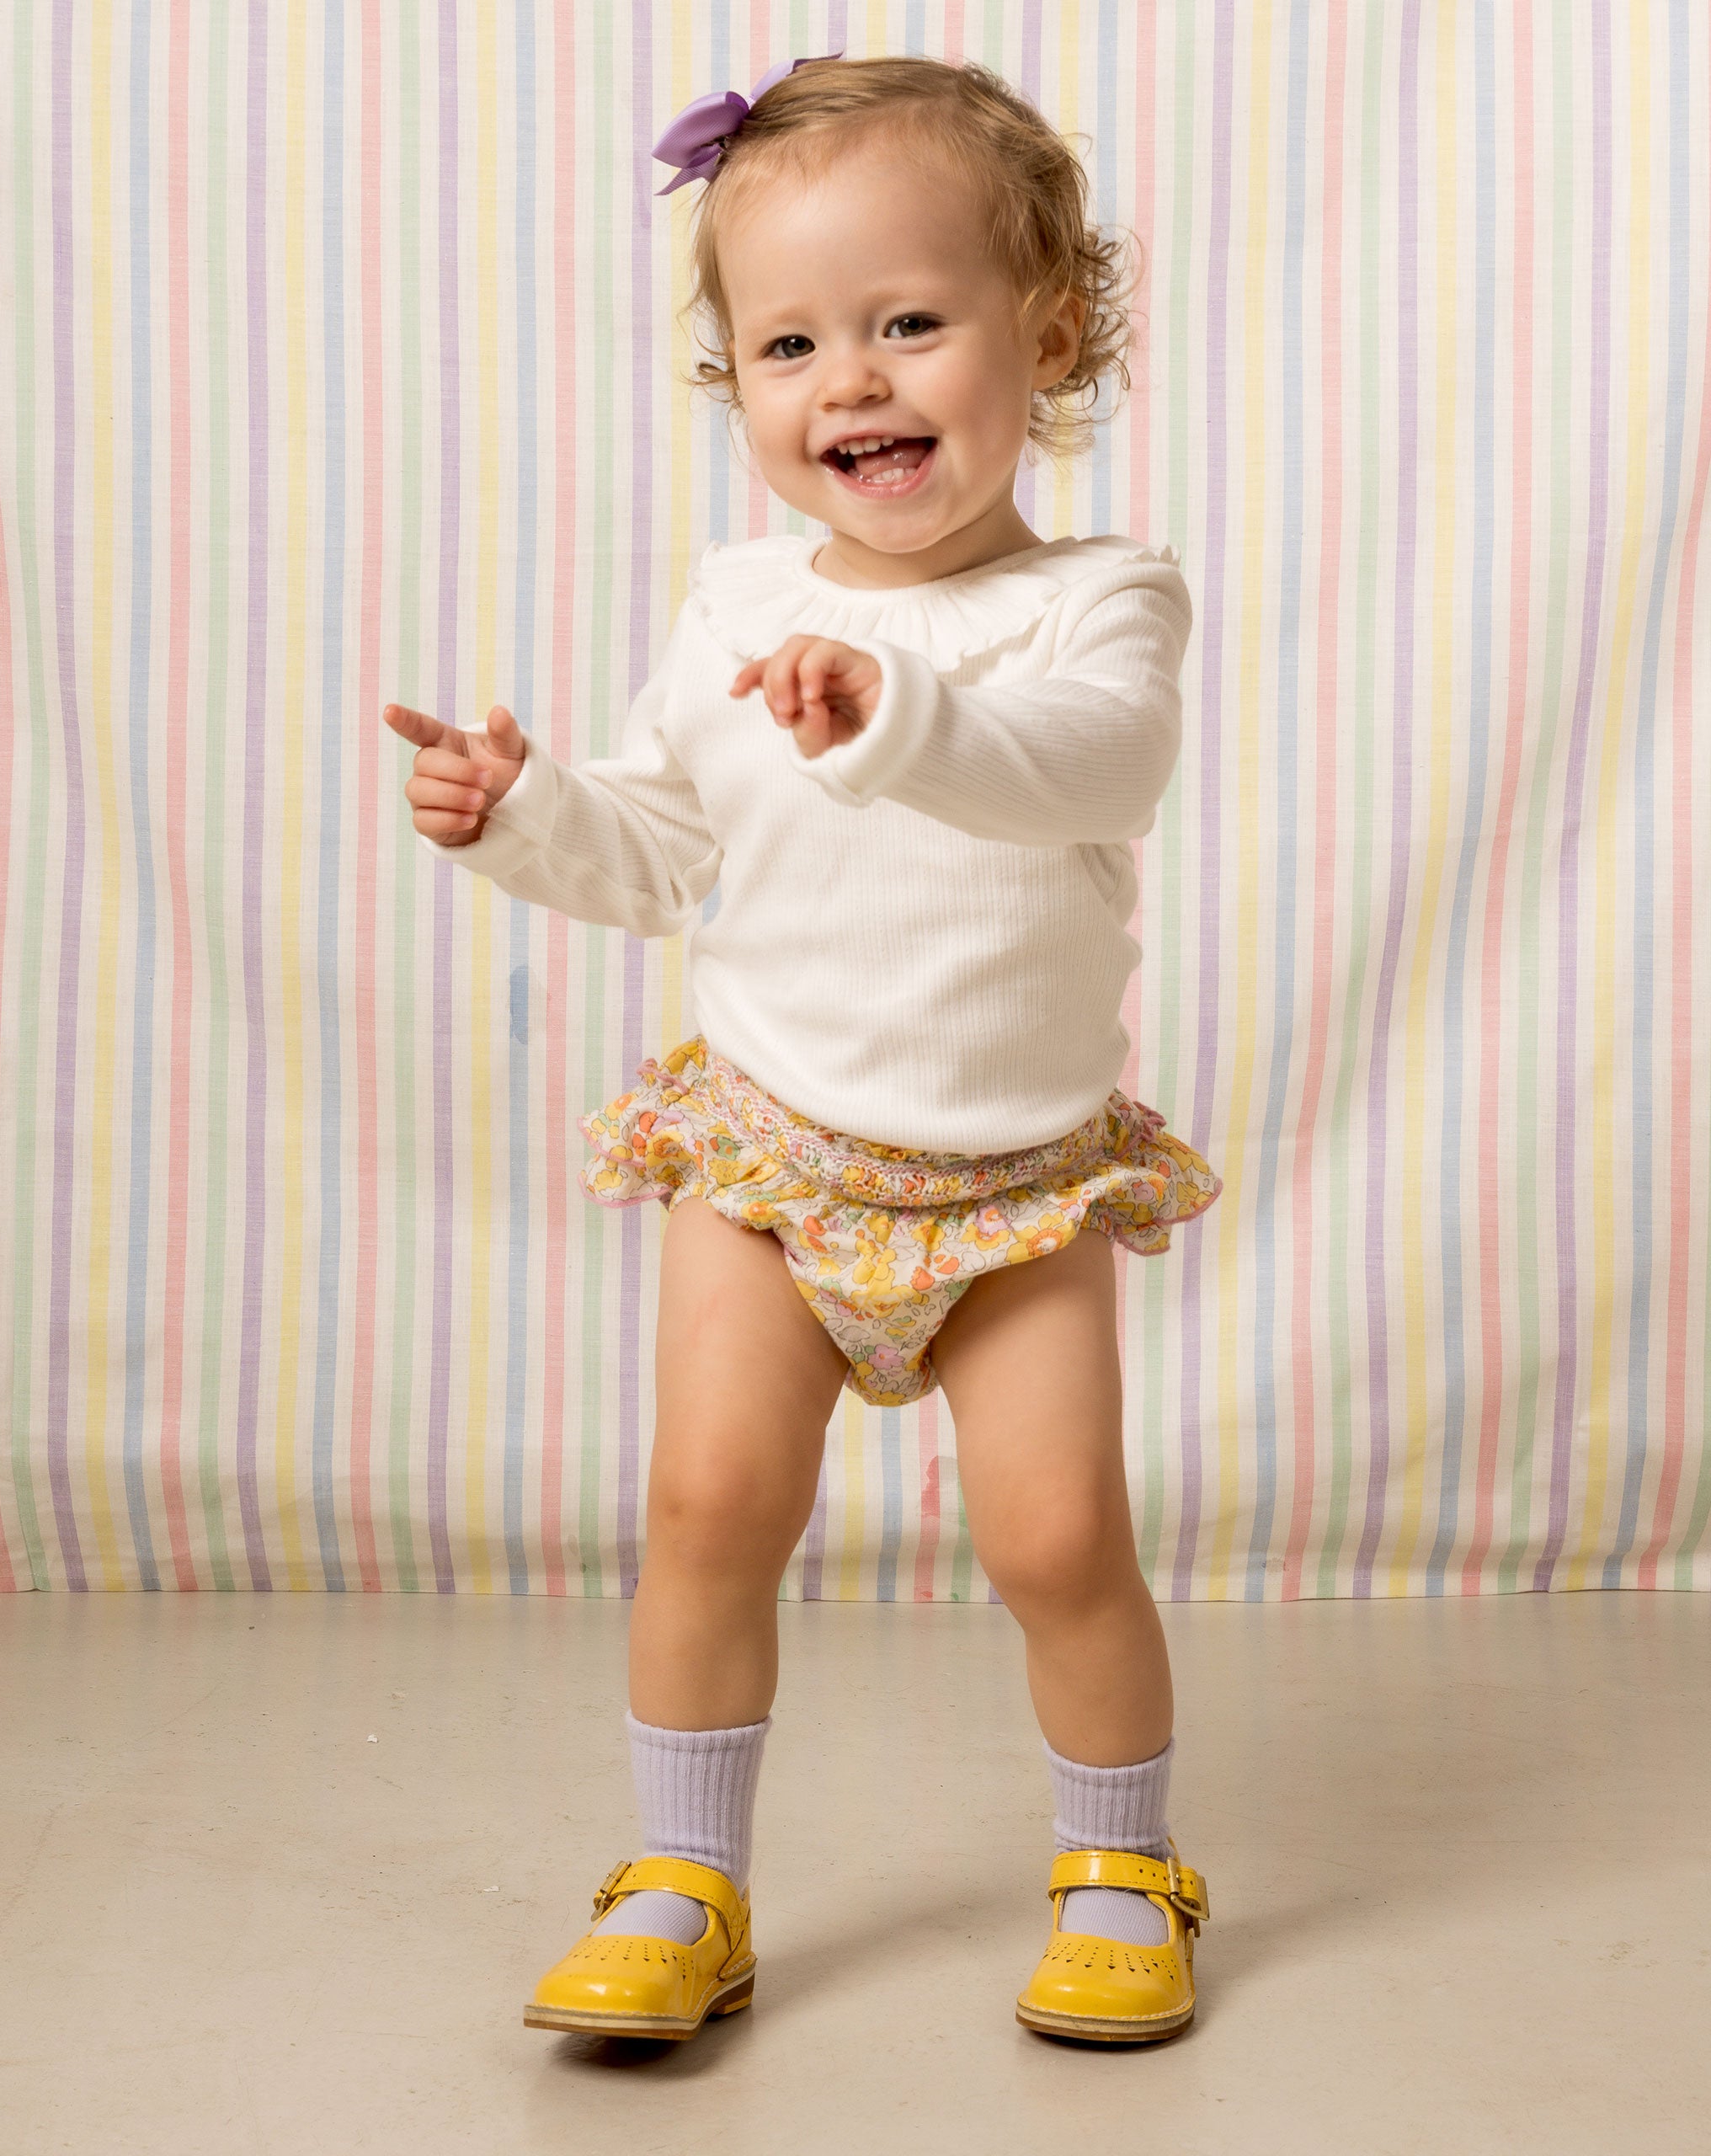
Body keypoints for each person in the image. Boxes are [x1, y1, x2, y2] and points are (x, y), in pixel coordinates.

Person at [383, 51, 1221, 2048]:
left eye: (908, 323)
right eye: (789, 343)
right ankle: (685, 1875)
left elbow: (1086, 772)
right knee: (706, 1504)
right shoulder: (736, 602)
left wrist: (901, 710)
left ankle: (1123, 1864)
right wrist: (525, 815)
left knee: (1055, 1536)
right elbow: (671, 849)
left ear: (1054, 329)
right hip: (766, 1153)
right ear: (734, 386)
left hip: (1011, 1185)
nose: (849, 380)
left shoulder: (1100, 605)